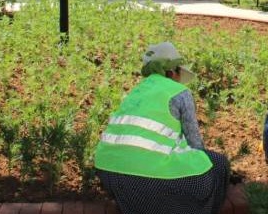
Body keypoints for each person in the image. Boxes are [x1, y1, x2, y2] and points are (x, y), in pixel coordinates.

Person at [94, 42, 229, 214]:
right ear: (172, 72)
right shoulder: (178, 92)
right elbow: (196, 145)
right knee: (216, 164)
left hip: (110, 175)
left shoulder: (136, 92)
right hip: (150, 181)